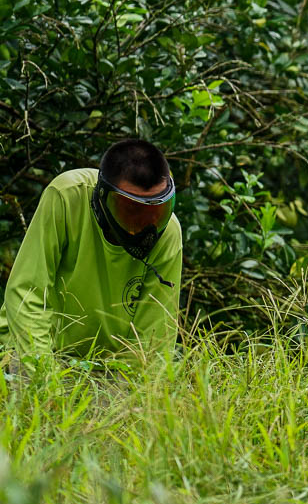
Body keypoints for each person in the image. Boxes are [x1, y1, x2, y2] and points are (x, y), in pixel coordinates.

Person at [0, 139, 183, 366]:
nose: (148, 226)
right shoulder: (67, 195)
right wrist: (44, 377)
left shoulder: (168, 233)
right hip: (33, 347)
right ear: (104, 197)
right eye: (133, 211)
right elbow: (27, 292)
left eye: (158, 210)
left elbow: (154, 340)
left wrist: (138, 397)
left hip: (103, 370)